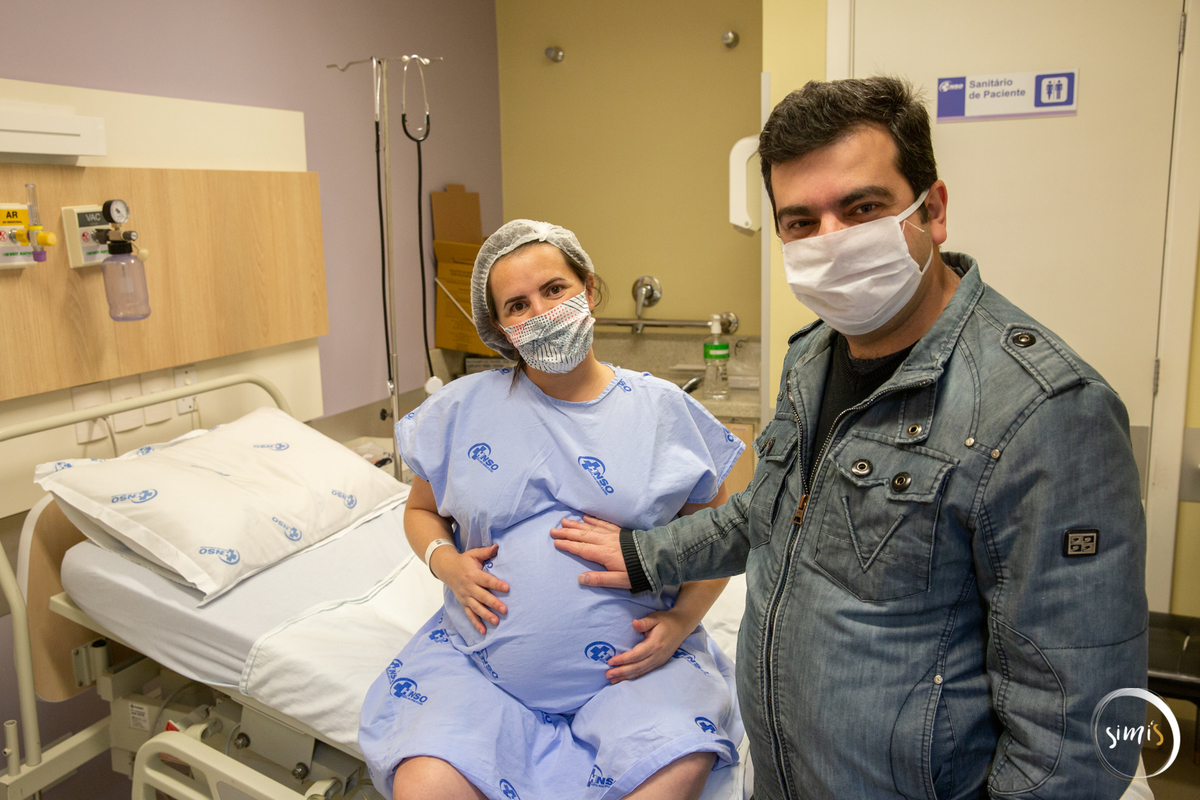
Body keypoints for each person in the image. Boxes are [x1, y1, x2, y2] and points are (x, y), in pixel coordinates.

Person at [551, 77, 1149, 800]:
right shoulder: (812, 357)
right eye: (801, 221)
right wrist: (642, 555)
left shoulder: (1045, 411)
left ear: (935, 211)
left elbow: (1078, 730)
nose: (831, 242)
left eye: (862, 208)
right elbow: (769, 515)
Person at [358, 220, 747, 800]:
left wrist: (681, 622)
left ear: (588, 290)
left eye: (554, 290)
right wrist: (446, 562)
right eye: (517, 305)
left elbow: (722, 536)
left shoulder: (662, 411)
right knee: (425, 785)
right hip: (480, 668)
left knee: (676, 770)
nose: (539, 312)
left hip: (637, 671)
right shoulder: (461, 410)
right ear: (500, 330)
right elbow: (421, 512)